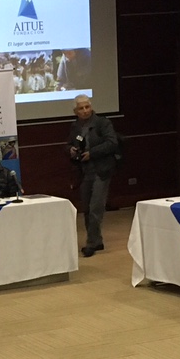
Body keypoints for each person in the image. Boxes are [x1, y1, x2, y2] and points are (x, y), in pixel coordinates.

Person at [66, 96, 118, 257]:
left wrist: (92, 153)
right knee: (87, 208)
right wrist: (71, 150)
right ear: (75, 111)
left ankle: (91, 243)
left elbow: (112, 143)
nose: (85, 111)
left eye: (87, 107)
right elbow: (69, 144)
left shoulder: (102, 123)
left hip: (101, 170)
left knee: (96, 207)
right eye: (81, 108)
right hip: (84, 171)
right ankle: (97, 241)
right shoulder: (75, 126)